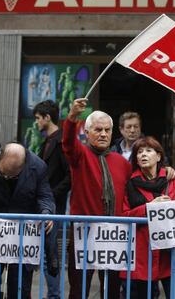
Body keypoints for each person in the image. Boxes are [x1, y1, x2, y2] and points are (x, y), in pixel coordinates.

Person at [62, 98, 132, 299]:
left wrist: (168, 171)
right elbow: (67, 142)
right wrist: (73, 116)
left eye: (107, 130)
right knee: (79, 289)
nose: (103, 134)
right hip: (84, 233)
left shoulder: (122, 163)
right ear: (87, 131)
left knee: (111, 289)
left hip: (114, 235)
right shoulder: (80, 155)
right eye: (98, 129)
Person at [0, 143, 55, 299]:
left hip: (23, 240)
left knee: (20, 290)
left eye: (13, 176)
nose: (7, 178)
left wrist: (46, 213)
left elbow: (44, 196)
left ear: (23, 167)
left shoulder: (38, 166)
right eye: (3, 174)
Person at [121, 136, 175, 299]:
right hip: (142, 253)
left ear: (159, 156)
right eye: (139, 152)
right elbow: (124, 215)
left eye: (148, 150)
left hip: (170, 252)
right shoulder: (130, 184)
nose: (143, 155)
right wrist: (150, 207)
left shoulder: (172, 181)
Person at [33, 100, 71, 299]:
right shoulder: (47, 140)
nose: (37, 122)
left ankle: (54, 295)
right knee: (45, 252)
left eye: (39, 118)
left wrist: (50, 194)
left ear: (48, 117)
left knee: (50, 254)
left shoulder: (62, 141)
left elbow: (69, 176)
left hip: (54, 204)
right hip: (44, 203)